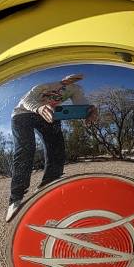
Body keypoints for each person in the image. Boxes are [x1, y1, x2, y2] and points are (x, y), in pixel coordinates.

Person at [6, 73, 90, 222]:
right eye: (68, 79)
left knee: (57, 148)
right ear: (63, 78)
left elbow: (81, 103)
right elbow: (26, 100)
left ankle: (48, 185)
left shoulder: (75, 89)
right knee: (26, 148)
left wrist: (89, 111)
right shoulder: (45, 86)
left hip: (48, 114)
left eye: (75, 80)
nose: (71, 83)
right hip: (22, 113)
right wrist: (39, 108)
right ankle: (15, 198)